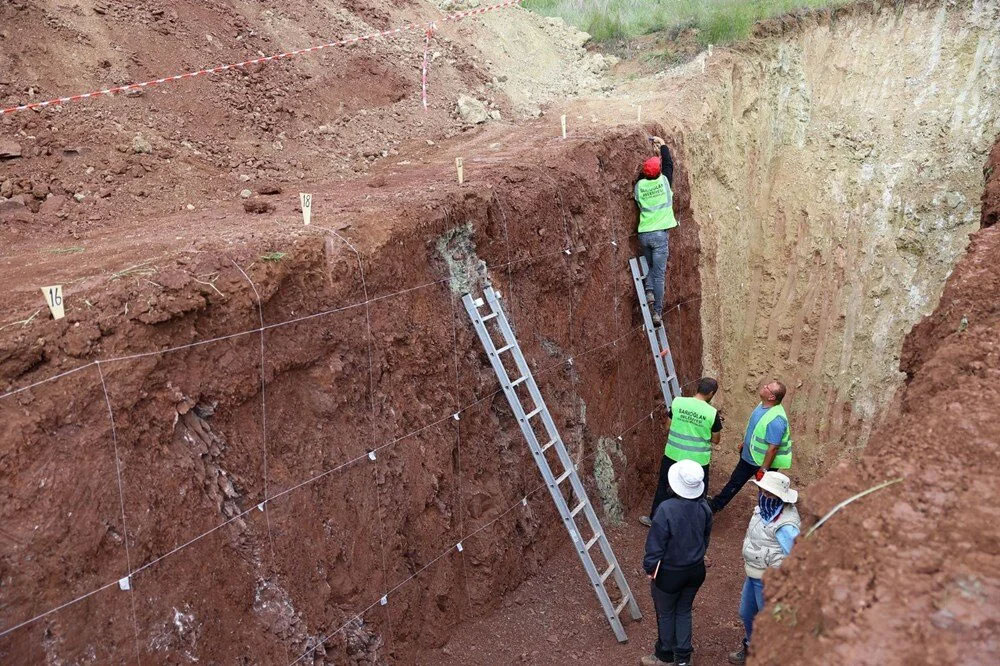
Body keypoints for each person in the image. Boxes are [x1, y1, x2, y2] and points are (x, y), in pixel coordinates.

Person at [641, 460, 712, 666]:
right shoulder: (704, 507)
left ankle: (664, 656)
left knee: (666, 613)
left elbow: (655, 544)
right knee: (684, 611)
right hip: (695, 571)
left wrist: (650, 568)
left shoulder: (666, 509)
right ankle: (683, 658)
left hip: (670, 573)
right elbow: (705, 537)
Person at [727, 471, 801, 665]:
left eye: (767, 492)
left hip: (769, 580)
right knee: (746, 612)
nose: (762, 495)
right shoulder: (762, 510)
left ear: (779, 497)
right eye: (762, 490)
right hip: (753, 574)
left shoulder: (786, 525)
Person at [639, 377, 722, 527]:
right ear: (711, 393)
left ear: (698, 388)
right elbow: (716, 439)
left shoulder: (678, 402)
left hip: (673, 454)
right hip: (698, 460)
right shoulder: (712, 413)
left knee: (664, 486)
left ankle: (655, 519)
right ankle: (694, 525)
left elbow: (668, 426)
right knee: (697, 493)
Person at [709, 379, 791, 513]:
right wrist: (746, 444)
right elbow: (756, 429)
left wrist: (763, 469)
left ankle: (769, 514)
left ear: (771, 397)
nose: (764, 386)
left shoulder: (776, 420)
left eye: (767, 387)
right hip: (749, 457)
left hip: (761, 463)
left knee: (766, 492)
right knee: (734, 482)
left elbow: (773, 448)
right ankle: (716, 505)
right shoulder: (762, 405)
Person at [635, 135, 678, 327]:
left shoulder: (639, 186)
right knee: (659, 274)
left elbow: (644, 176)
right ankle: (657, 313)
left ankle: (649, 291)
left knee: (653, 269)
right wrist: (663, 147)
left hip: (644, 235)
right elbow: (669, 165)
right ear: (659, 172)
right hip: (660, 236)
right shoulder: (665, 183)